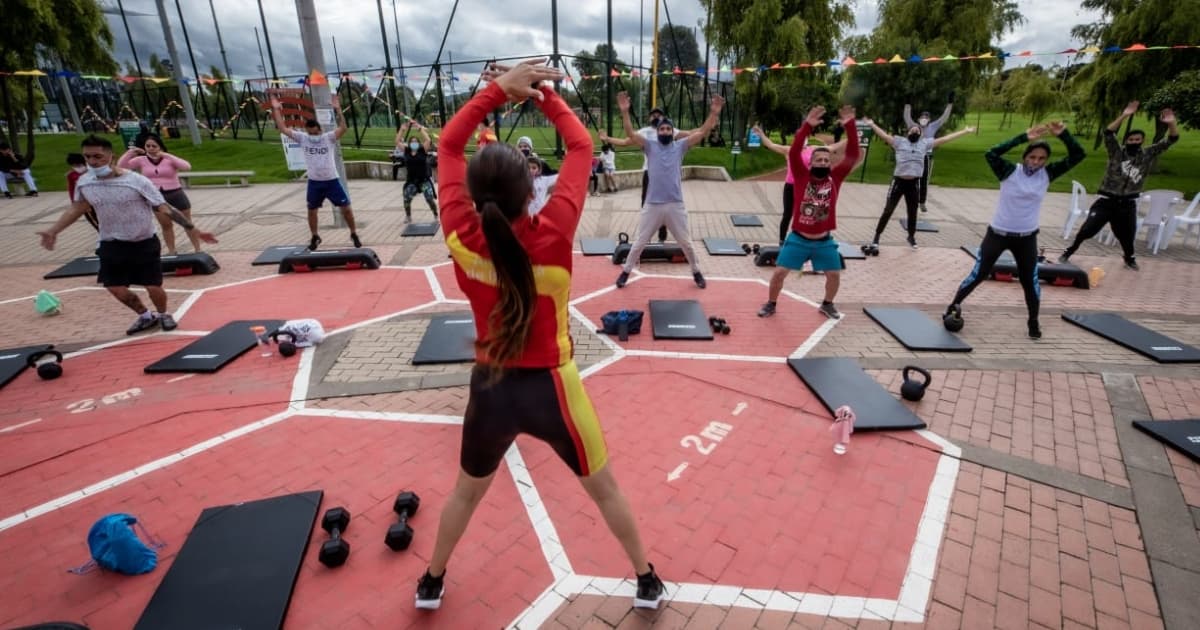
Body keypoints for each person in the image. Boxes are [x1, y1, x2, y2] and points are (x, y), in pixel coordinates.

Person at [417, 58, 664, 612]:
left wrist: (496, 93)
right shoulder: (554, 230)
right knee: (605, 490)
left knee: (464, 493)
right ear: (533, 186)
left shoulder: (459, 230)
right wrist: (542, 95)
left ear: (473, 194)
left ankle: (430, 582)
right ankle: (646, 579)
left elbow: (449, 149)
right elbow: (580, 148)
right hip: (555, 388)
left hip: (491, 388)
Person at [36, 135, 218, 335]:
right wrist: (53, 230)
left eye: (98, 156)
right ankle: (145, 315)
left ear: (111, 156)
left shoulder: (136, 181)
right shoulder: (85, 182)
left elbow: (164, 208)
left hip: (143, 240)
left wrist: (195, 230)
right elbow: (77, 207)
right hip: (111, 241)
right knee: (115, 287)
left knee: (153, 286)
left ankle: (164, 314)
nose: (93, 162)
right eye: (88, 157)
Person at [945, 121, 1085, 339]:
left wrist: (1064, 135)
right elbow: (991, 153)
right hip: (998, 234)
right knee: (979, 274)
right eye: (1032, 157)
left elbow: (1078, 155)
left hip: (1026, 238)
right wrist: (1023, 137)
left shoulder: (1047, 174)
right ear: (1025, 157)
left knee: (1030, 280)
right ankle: (953, 306)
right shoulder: (1009, 171)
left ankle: (1033, 321)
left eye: (1041, 159)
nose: (1036, 162)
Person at [757, 105, 861, 320]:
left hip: (824, 241)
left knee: (833, 275)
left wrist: (850, 125)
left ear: (830, 163)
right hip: (798, 238)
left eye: (826, 160)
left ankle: (827, 304)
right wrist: (806, 127)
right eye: (818, 160)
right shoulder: (802, 176)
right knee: (778, 273)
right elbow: (794, 152)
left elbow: (853, 154)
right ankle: (771, 303)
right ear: (810, 163)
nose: (823, 162)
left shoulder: (836, 178)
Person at [614, 90, 724, 290]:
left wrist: (714, 113)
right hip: (652, 205)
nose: (664, 131)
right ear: (657, 132)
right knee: (639, 242)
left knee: (686, 243)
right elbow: (630, 134)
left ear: (672, 132)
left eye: (668, 129)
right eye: (662, 129)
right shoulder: (649, 146)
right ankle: (625, 272)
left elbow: (702, 132)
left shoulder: (680, 146)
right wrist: (624, 112)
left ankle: (696, 272)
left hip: (675, 204)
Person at [1059, 101, 1181, 270]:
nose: (1134, 142)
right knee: (1088, 229)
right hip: (1107, 200)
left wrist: (1171, 123)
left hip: (1127, 203)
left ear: (1142, 141)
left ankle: (1129, 258)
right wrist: (1124, 115)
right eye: (1131, 139)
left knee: (1127, 234)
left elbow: (1172, 139)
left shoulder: (1147, 154)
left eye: (1137, 139)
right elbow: (1108, 132)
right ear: (1126, 140)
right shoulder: (1117, 152)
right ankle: (1068, 252)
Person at [862, 118, 974, 250]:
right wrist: (872, 124)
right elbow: (884, 136)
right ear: (908, 132)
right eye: (912, 129)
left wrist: (965, 131)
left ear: (921, 135)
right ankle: (877, 237)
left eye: (918, 130)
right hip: (898, 182)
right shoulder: (899, 142)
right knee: (888, 210)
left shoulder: (924, 144)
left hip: (914, 183)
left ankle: (911, 236)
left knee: (912, 212)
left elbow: (945, 139)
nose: (915, 131)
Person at [269, 95, 361, 251]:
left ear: (320, 130)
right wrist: (276, 109)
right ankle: (315, 236)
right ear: (307, 131)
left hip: (331, 180)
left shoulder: (328, 138)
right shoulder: (303, 138)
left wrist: (338, 109)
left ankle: (353, 233)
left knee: (346, 208)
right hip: (315, 182)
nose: (313, 136)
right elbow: (283, 128)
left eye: (315, 133)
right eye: (310, 133)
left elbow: (344, 128)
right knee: (312, 210)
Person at [600, 107, 689, 243]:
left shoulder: (669, 130)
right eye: (653, 115)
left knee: (666, 202)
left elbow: (691, 134)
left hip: (667, 173)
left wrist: (709, 124)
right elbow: (625, 142)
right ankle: (646, 234)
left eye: (659, 115)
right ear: (649, 118)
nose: (656, 117)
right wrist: (607, 138)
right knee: (646, 204)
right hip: (649, 172)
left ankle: (662, 232)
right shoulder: (645, 132)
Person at [752, 124, 850, 244]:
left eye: (805, 137)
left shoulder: (813, 149)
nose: (803, 139)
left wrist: (850, 138)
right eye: (799, 137)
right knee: (787, 214)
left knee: (808, 213)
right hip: (791, 186)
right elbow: (771, 145)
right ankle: (782, 240)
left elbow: (831, 148)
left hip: (807, 187)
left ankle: (810, 238)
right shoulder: (789, 150)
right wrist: (761, 134)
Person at [118, 134, 203, 254]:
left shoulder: (168, 159)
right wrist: (130, 153)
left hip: (176, 194)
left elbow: (186, 166)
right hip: (156, 197)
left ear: (160, 147)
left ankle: (198, 249)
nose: (151, 148)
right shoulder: (141, 160)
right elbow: (121, 167)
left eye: (154, 146)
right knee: (166, 225)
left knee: (187, 223)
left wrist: (166, 155)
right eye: (148, 146)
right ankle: (172, 251)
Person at [903, 99, 953, 212]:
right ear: (919, 119)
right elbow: (907, 117)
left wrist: (950, 104)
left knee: (924, 180)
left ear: (929, 120)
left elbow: (944, 117)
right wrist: (908, 104)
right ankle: (912, 200)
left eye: (926, 118)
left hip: (926, 156)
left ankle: (922, 202)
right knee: (913, 178)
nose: (924, 120)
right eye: (922, 117)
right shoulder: (914, 126)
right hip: (914, 156)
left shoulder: (933, 126)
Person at [396, 121, 438, 223]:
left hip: (424, 180)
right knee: (407, 198)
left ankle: (436, 215)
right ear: (409, 144)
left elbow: (428, 140)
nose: (414, 143)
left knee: (429, 199)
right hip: (412, 181)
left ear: (418, 143)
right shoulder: (406, 151)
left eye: (416, 141)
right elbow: (397, 142)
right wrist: (402, 130)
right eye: (412, 141)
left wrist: (420, 129)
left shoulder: (422, 150)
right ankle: (408, 216)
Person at [65, 153, 99, 232]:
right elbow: (72, 189)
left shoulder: (92, 171)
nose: (77, 167)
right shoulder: (71, 175)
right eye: (74, 165)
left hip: (97, 200)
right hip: (84, 203)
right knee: (95, 222)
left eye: (79, 164)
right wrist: (74, 203)